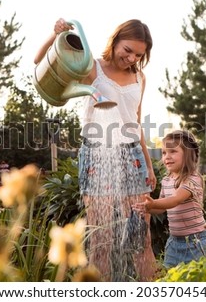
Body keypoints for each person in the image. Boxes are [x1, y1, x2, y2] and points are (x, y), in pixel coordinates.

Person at [34, 18, 157, 281]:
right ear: (115, 42)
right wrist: (53, 34)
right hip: (97, 154)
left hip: (132, 154)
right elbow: (39, 63)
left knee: (140, 236)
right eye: (127, 50)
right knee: (102, 236)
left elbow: (136, 119)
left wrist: (147, 163)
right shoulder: (92, 68)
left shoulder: (140, 77)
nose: (131, 58)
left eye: (138, 54)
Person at [133, 130, 206, 268]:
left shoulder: (193, 178)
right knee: (171, 278)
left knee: (199, 278)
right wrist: (147, 208)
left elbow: (175, 199)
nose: (167, 157)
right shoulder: (166, 180)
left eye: (173, 152)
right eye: (164, 153)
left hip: (196, 242)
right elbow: (162, 207)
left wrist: (153, 203)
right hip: (174, 242)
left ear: (188, 155)